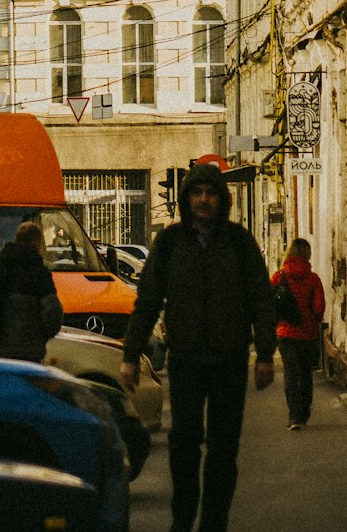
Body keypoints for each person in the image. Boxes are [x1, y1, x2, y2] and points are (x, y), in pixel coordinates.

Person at [120, 164, 276, 532]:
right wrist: (130, 356)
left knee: (223, 450)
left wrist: (266, 354)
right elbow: (147, 301)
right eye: (196, 193)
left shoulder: (239, 243)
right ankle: (182, 519)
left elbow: (261, 299)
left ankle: (213, 523)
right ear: (187, 198)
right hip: (187, 359)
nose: (203, 200)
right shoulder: (171, 243)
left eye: (210, 193)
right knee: (184, 446)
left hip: (229, 359)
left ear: (221, 199)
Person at [0, 220, 64, 363]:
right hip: (29, 353)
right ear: (36, 243)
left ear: (16, 239)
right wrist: (41, 336)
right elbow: (53, 311)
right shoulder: (39, 273)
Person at [271, 237, 325, 430]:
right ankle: (304, 411)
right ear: (307, 255)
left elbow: (269, 303)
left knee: (291, 374)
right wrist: (312, 321)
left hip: (285, 334)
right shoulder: (313, 279)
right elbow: (319, 308)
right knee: (305, 373)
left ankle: (294, 416)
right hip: (307, 334)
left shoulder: (279, 276)